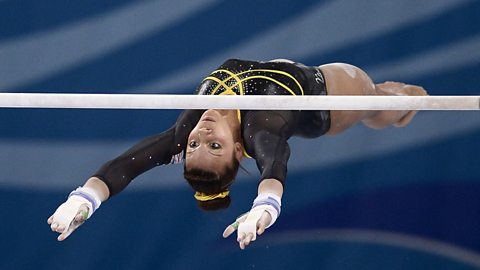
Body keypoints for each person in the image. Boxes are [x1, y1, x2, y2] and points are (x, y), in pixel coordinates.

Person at [47, 59, 427, 249]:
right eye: (215, 146)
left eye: (196, 145)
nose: (203, 133)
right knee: (387, 104)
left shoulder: (187, 128)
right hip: (328, 101)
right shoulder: (261, 129)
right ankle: (401, 104)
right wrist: (266, 207)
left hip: (272, 69)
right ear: (241, 149)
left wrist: (84, 199)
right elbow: (275, 164)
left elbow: (125, 167)